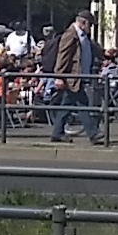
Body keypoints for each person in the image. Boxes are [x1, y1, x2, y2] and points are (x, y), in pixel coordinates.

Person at [48, 13, 101, 141]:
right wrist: (59, 76)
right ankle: (93, 134)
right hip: (73, 76)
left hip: (79, 76)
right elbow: (63, 56)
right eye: (90, 24)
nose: (91, 27)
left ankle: (57, 134)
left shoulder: (82, 35)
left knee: (66, 105)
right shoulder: (71, 35)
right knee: (82, 104)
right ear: (84, 23)